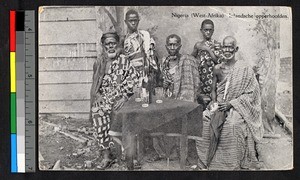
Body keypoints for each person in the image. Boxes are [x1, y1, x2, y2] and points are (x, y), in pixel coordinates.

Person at [195, 36, 264, 170]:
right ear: (221, 48)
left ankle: (230, 165)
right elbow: (213, 89)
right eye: (224, 47)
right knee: (204, 119)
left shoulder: (244, 69)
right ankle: (205, 162)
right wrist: (213, 102)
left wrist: (232, 104)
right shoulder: (217, 68)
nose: (227, 50)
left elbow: (252, 94)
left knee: (233, 125)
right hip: (220, 105)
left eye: (230, 47)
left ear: (235, 49)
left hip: (236, 106)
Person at [90, 32, 139, 170]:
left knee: (125, 117)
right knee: (98, 112)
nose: (111, 47)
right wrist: (98, 95)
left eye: (113, 43)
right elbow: (96, 83)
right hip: (105, 98)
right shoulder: (100, 62)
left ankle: (127, 156)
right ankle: (107, 156)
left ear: (118, 45)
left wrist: (124, 97)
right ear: (103, 46)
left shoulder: (125, 61)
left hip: (122, 98)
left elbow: (133, 80)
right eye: (107, 44)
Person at [150, 34, 200, 161]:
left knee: (181, 116)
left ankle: (179, 151)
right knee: (156, 116)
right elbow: (160, 84)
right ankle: (165, 152)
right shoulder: (163, 62)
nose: (173, 47)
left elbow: (193, 83)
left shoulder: (186, 61)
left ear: (180, 46)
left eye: (175, 44)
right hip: (168, 100)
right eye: (170, 45)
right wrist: (164, 84)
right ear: (166, 46)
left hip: (182, 101)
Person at [124, 9, 159, 94]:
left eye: (135, 20)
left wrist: (148, 64)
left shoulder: (144, 36)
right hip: (129, 74)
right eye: (130, 21)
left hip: (145, 73)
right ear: (125, 22)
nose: (133, 23)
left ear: (138, 21)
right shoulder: (123, 39)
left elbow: (150, 54)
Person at [192, 19, 223, 108]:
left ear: (213, 30)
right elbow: (191, 59)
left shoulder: (216, 45)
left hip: (212, 77)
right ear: (201, 30)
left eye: (210, 30)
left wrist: (208, 49)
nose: (208, 32)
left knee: (213, 102)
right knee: (201, 102)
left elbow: (218, 61)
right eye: (206, 30)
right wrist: (195, 49)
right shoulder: (198, 45)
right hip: (201, 76)